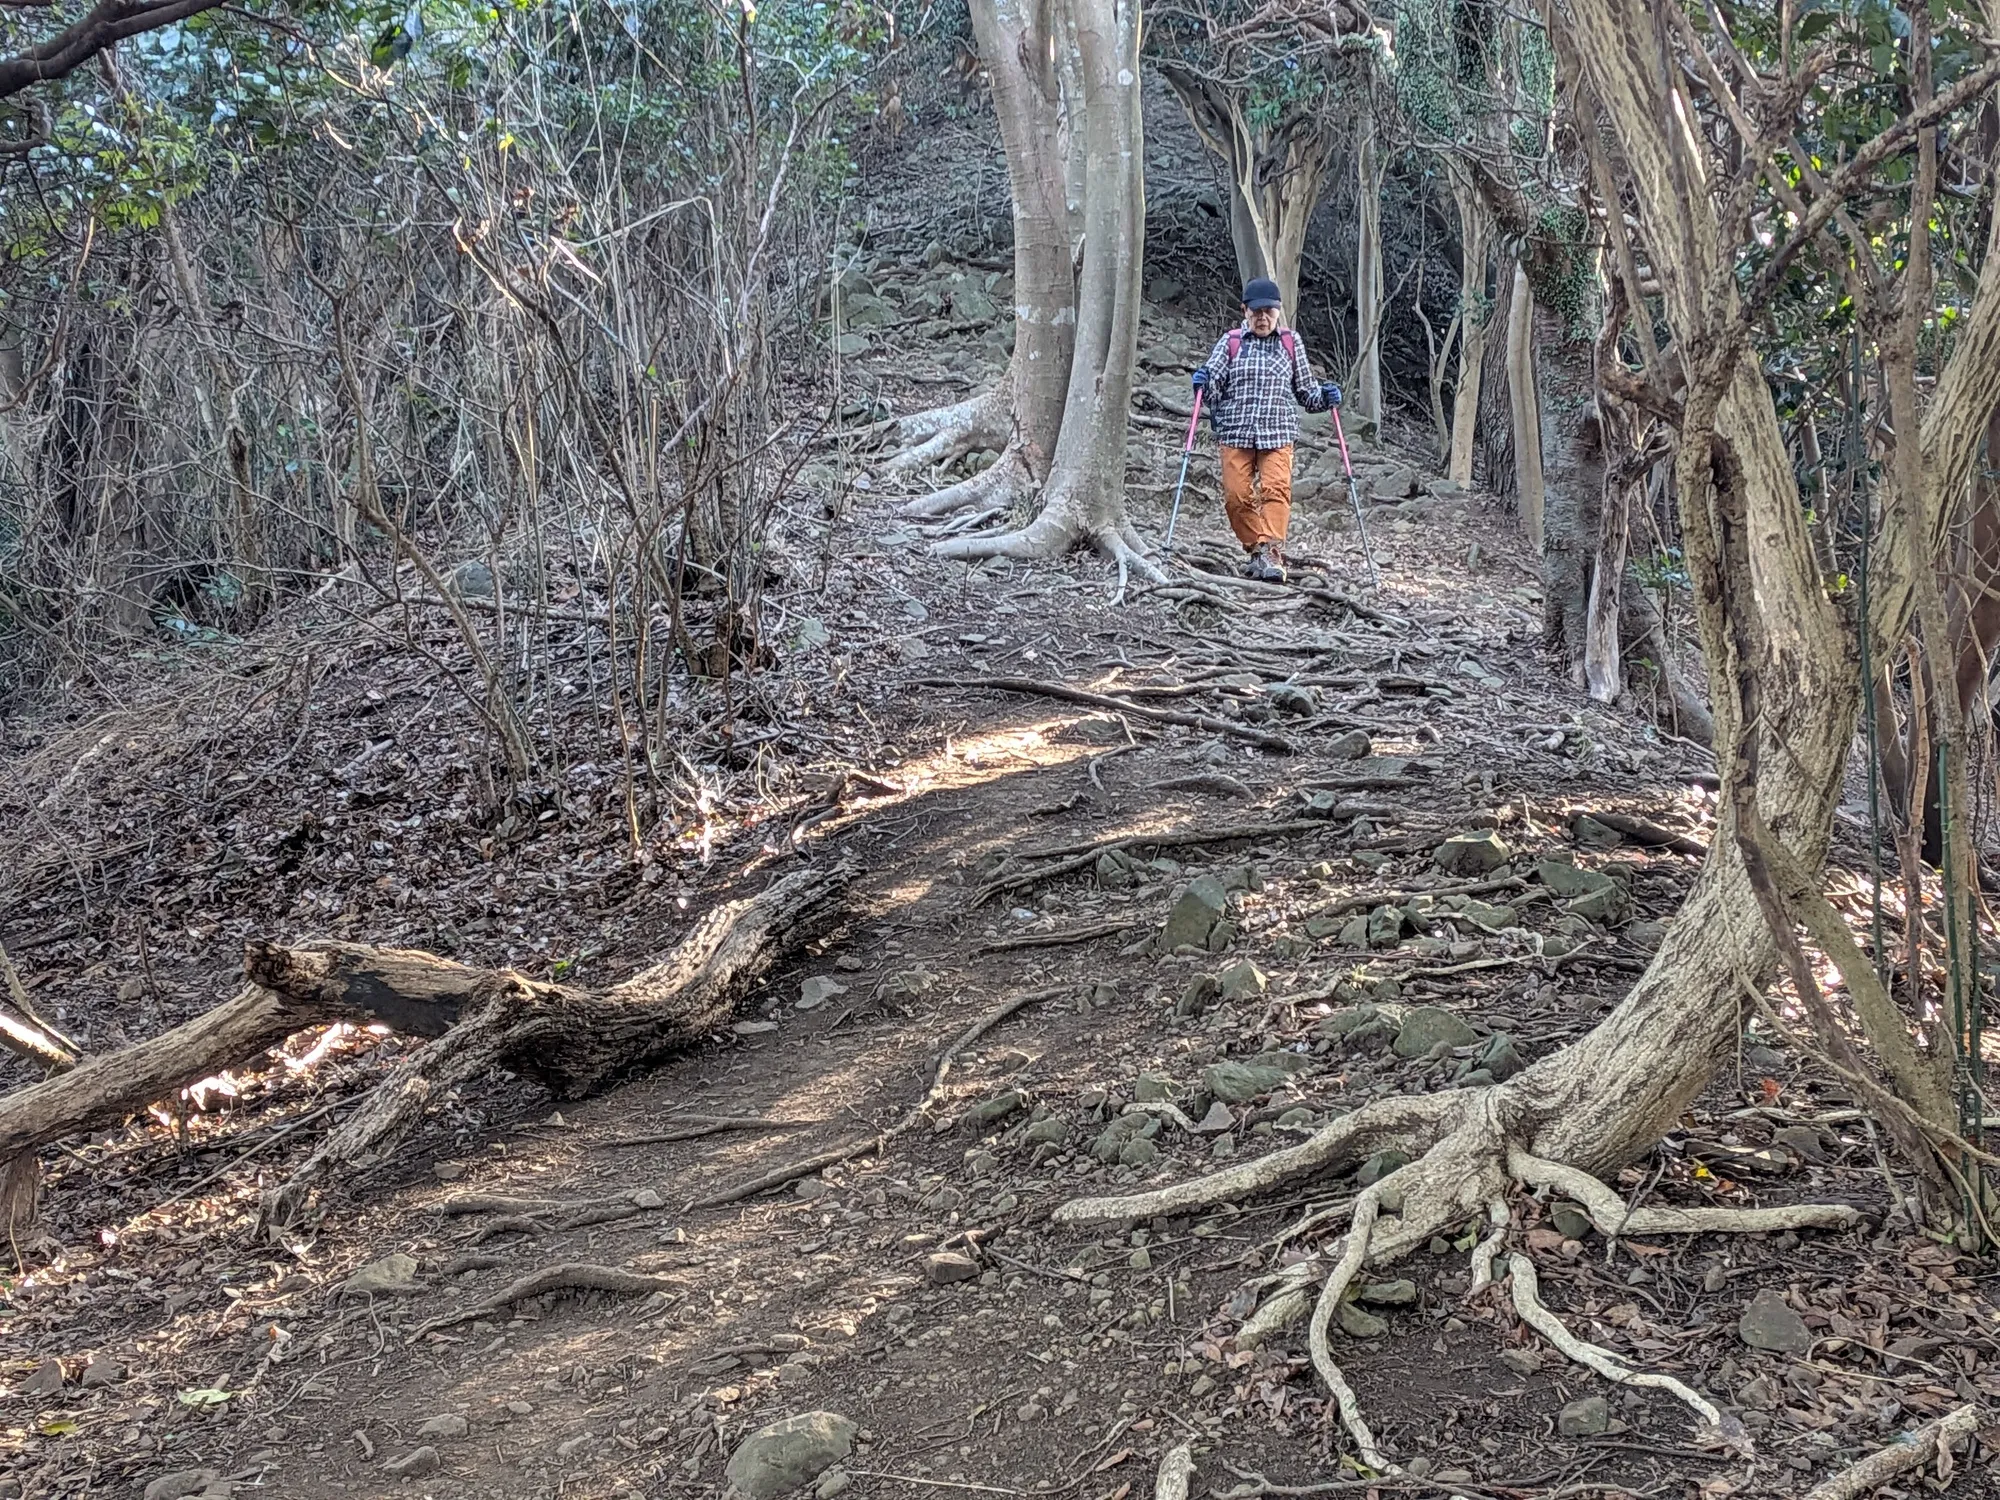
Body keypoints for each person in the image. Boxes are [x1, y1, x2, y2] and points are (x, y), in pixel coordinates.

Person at [1190, 278, 1341, 582]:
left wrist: (1326, 397)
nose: (1262, 318)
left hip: (1278, 433)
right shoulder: (1231, 342)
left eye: (1269, 312)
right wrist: (1203, 383)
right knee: (1236, 497)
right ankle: (1257, 549)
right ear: (1244, 310)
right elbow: (1212, 390)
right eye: (1256, 312)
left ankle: (1271, 553)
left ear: (1278, 311)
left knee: (1276, 491)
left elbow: (1306, 393)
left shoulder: (1290, 343)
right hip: (1236, 432)